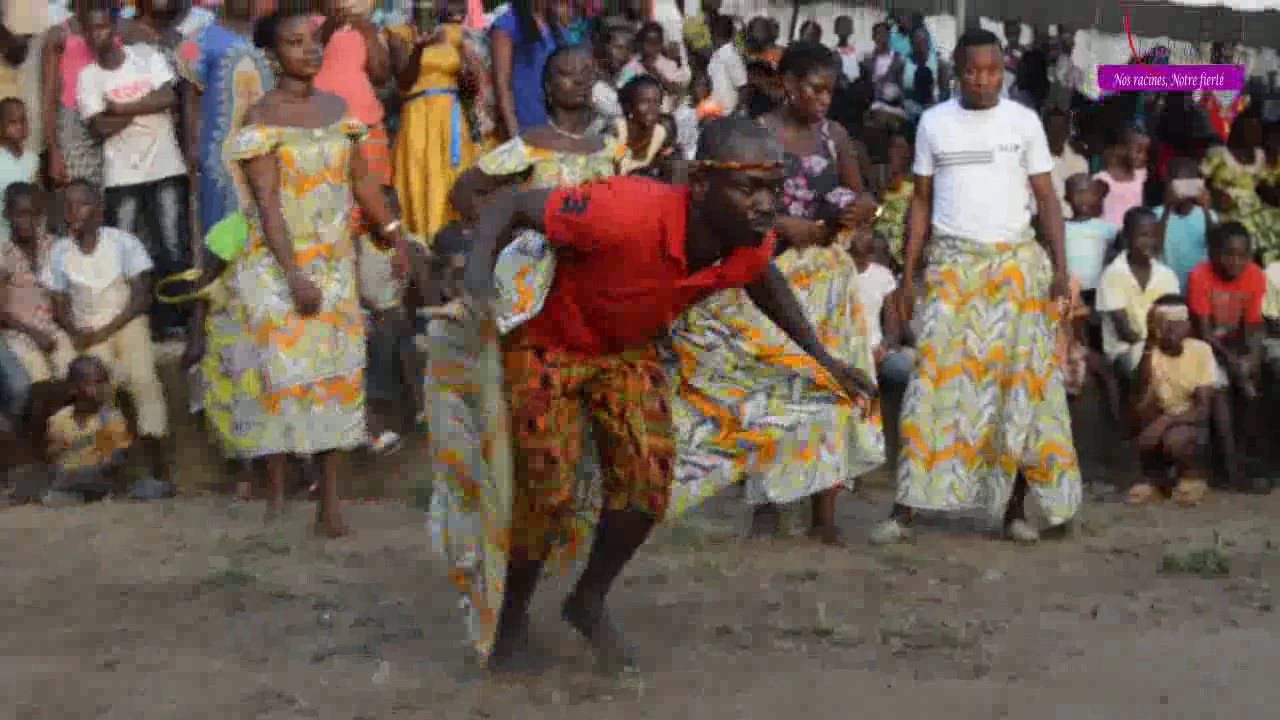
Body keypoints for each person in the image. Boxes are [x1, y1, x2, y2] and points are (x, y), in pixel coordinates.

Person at [445, 116, 874, 672]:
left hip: (627, 352)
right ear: (701, 182)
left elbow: (762, 276)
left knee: (648, 484)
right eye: (749, 188)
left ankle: (587, 600)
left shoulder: (745, 238)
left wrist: (822, 358)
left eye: (774, 187)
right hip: (547, 346)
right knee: (547, 495)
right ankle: (511, 620)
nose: (766, 204)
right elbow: (513, 205)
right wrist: (479, 275)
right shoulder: (622, 210)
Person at [871, 28, 1079, 547]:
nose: (983, 80)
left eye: (992, 71)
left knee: (1020, 388)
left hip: (1015, 269)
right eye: (972, 71)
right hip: (952, 267)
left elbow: (1046, 199)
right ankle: (905, 509)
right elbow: (921, 200)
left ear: (1003, 71)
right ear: (956, 72)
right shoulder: (934, 123)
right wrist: (908, 274)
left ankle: (1013, 511)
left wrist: (1059, 267)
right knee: (931, 385)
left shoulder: (1023, 122)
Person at [670, 44, 883, 544]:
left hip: (828, 277)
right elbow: (735, 205)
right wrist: (785, 225)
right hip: (772, 272)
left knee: (833, 380)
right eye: (815, 89)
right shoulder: (757, 134)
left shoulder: (835, 137)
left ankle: (824, 513)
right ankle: (766, 504)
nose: (823, 100)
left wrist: (861, 211)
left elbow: (862, 194)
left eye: (829, 91)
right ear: (788, 84)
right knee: (774, 383)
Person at [225, 7, 404, 536]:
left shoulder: (338, 109)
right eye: (294, 42)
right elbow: (267, 204)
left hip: (334, 264)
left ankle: (330, 502)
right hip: (278, 266)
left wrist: (394, 235)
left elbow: (363, 182)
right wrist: (293, 276)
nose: (308, 50)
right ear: (271, 54)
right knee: (284, 379)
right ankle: (278, 495)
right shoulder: (261, 119)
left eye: (312, 41)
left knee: (337, 379)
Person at [448, 44, 621, 333]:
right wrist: (501, 230)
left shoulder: (611, 148)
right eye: (567, 73)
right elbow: (464, 191)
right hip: (533, 276)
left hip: (590, 271)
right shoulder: (532, 144)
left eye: (587, 72)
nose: (580, 80)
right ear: (548, 88)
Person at [44, 180, 171, 496]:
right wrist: (75, 331)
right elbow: (58, 305)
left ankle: (158, 471)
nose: (73, 212)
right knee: (96, 382)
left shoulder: (123, 243)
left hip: (126, 322)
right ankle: (101, 470)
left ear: (99, 211)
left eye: (82, 204)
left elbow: (141, 298)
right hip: (86, 329)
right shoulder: (59, 252)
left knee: (143, 380)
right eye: (68, 206)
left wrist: (104, 331)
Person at [76, 2, 191, 340]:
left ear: (114, 29)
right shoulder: (88, 76)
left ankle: (175, 322)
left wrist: (119, 107)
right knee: (125, 251)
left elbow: (168, 97)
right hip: (122, 175)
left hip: (165, 166)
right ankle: (132, 325)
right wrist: (143, 106)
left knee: (172, 246)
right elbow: (99, 127)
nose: (97, 35)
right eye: (90, 30)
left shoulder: (145, 56)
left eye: (102, 27)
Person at [179, 0, 272, 237]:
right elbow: (190, 97)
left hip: (268, 146)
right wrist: (192, 146)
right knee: (224, 225)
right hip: (221, 154)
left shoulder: (269, 34)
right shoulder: (197, 41)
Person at [1186, 222, 1267, 492]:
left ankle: (1254, 460)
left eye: (1242, 255)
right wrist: (1234, 364)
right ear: (1214, 253)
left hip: (1236, 343)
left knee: (1257, 379)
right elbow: (1205, 333)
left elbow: (1253, 326)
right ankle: (1230, 468)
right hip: (1205, 347)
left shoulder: (1254, 275)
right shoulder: (1199, 275)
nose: (1236, 261)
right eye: (1229, 254)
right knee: (1219, 386)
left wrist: (1252, 357)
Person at [392, 0, 479, 237]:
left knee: (455, 176)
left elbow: (469, 88)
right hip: (418, 116)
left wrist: (469, 73)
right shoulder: (400, 34)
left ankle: (459, 242)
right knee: (422, 176)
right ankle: (423, 241)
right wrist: (419, 48)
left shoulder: (455, 35)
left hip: (451, 117)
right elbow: (404, 82)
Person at [1126, 295, 1214, 506]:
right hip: (1159, 414)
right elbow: (1139, 396)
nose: (1171, 330)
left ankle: (1191, 480)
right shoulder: (1148, 351)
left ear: (1188, 326)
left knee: (1175, 439)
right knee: (1143, 417)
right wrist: (1149, 343)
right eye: (1165, 324)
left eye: (1177, 323)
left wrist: (1166, 421)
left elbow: (1202, 409)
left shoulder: (1200, 350)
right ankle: (1157, 483)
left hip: (1188, 420)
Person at [1097, 207, 1182, 385]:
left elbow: (1176, 319)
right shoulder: (1113, 274)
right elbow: (1125, 333)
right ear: (1126, 237)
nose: (1149, 242)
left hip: (1162, 344)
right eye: (1143, 235)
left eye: (1154, 235)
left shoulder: (1167, 275)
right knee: (1153, 364)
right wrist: (1156, 345)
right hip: (1126, 351)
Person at [1, 183, 72, 387]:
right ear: (7, 215)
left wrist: (70, 327)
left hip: (52, 328)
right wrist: (34, 334)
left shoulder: (51, 245)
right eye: (20, 215)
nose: (27, 222)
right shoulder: (3, 251)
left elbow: (62, 294)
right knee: (40, 380)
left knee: (73, 372)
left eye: (33, 215)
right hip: (17, 333)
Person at [316, 0, 392, 188]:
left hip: (358, 118)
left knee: (365, 183)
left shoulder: (370, 30)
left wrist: (367, 32)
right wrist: (333, 24)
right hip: (329, 118)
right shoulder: (317, 26)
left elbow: (380, 74)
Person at [42, 354, 132, 506]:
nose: (102, 389)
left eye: (104, 382)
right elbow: (52, 456)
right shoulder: (59, 420)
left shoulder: (110, 418)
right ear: (73, 389)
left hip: (97, 477)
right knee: (53, 494)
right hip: (67, 479)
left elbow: (111, 461)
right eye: (94, 383)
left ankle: (93, 495)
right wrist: (57, 450)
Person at [1201, 108, 1279, 266]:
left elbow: (1265, 185)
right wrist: (1213, 194)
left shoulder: (1260, 156)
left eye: (1257, 129)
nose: (1254, 133)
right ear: (1238, 129)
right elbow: (1199, 181)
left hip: (1254, 210)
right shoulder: (1219, 153)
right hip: (1225, 209)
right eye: (1249, 128)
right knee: (1243, 233)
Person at [490, 0, 563, 139]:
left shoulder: (553, 22)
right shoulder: (506, 24)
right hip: (524, 121)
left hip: (553, 121)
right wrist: (514, 134)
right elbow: (501, 86)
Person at [1156, 157, 1217, 292]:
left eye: (1189, 182)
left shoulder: (1208, 215)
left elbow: (1215, 245)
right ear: (1168, 183)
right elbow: (1155, 247)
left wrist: (1206, 210)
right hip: (1167, 287)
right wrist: (1167, 209)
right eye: (1178, 183)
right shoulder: (1157, 214)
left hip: (1198, 287)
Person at [1063, 174, 1119, 305]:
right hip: (1070, 291)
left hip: (1098, 291)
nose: (1084, 198)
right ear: (1067, 198)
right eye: (1078, 193)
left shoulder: (1108, 228)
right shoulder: (1061, 228)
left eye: (1088, 193)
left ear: (1096, 196)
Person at [616, 21, 688, 114]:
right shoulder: (631, 67)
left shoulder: (669, 65)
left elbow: (675, 90)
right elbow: (623, 89)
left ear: (661, 44)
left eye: (655, 43)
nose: (651, 48)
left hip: (666, 112)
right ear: (640, 44)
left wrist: (657, 74)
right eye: (647, 43)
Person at [614, 75, 671, 177]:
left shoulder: (659, 132)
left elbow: (648, 164)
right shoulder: (620, 129)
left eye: (656, 102)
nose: (651, 108)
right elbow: (617, 159)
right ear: (630, 106)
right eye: (644, 102)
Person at [1094, 127, 1150, 226]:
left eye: (1146, 152)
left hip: (1133, 233)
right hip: (1109, 234)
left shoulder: (1141, 176)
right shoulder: (1102, 179)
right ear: (1121, 149)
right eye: (1138, 151)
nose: (1143, 156)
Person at [0, 97, 37, 228]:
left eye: (23, 120)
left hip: (24, 231)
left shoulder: (33, 159)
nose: (20, 126)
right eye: (13, 122)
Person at [1046, 108, 1088, 219]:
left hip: (1074, 222)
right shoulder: (1032, 161)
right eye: (1052, 127)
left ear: (1067, 130)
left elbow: (1083, 200)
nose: (1056, 132)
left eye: (1060, 127)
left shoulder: (1080, 163)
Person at [591, 21, 632, 120]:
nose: (623, 54)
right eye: (618, 47)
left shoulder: (631, 76)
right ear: (604, 47)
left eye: (627, 48)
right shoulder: (590, 79)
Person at [705, 14, 744, 116]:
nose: (710, 37)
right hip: (715, 109)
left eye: (711, 33)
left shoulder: (731, 56)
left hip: (727, 113)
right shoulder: (717, 55)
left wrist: (736, 111)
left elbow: (741, 86)